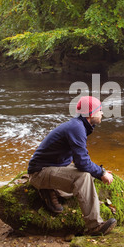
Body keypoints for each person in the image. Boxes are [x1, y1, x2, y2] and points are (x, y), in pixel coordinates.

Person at [27, 96, 116, 236]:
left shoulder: (78, 125)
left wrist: (99, 172)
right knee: (84, 177)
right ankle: (95, 226)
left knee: (88, 176)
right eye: (100, 110)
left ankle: (49, 190)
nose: (102, 114)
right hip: (39, 173)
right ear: (91, 114)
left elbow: (81, 161)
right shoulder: (77, 128)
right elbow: (82, 162)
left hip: (50, 168)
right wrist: (101, 173)